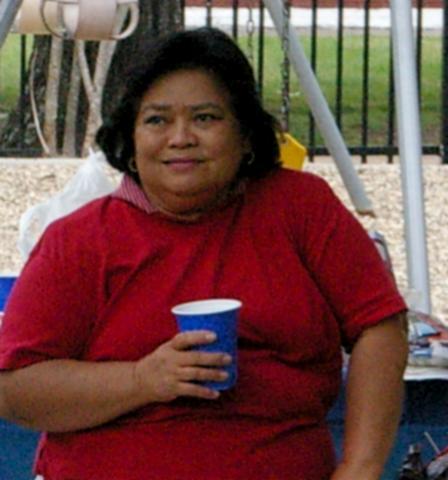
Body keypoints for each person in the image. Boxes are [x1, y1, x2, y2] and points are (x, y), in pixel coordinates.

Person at [0, 27, 408, 480]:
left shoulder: (299, 207)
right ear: (130, 142)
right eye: (157, 120)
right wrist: (142, 380)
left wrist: (360, 467)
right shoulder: (80, 240)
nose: (180, 138)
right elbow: (15, 388)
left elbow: (379, 323)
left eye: (205, 118)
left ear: (246, 135)